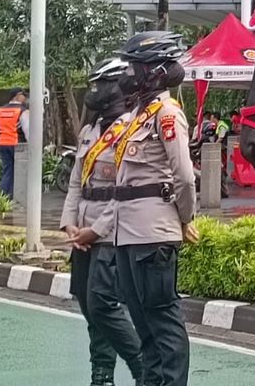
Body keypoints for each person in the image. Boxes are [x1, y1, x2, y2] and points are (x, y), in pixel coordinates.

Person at [73, 31, 197, 386]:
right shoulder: (137, 117)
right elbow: (121, 186)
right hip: (125, 232)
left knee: (162, 319)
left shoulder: (168, 114)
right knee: (142, 321)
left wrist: (184, 218)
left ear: (155, 71)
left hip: (154, 231)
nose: (129, 73)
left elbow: (184, 178)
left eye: (136, 66)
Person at [60, 58, 144, 386]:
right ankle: (102, 373)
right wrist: (70, 224)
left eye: (102, 85)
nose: (95, 92)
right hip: (82, 231)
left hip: (109, 234)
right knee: (86, 300)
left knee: (103, 304)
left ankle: (143, 369)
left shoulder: (131, 131)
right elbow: (75, 184)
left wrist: (94, 232)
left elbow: (126, 191)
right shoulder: (89, 131)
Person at [0, 87, 29, 198]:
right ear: (17, 96)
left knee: (7, 170)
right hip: (18, 145)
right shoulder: (23, 111)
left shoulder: (0, 110)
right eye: (24, 95)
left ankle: (4, 197)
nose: (25, 97)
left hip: (3, 144)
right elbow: (28, 130)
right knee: (20, 172)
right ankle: (19, 197)